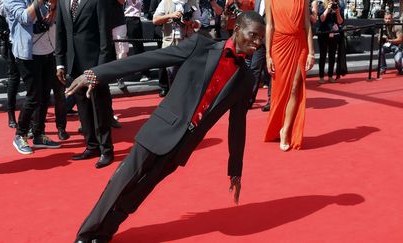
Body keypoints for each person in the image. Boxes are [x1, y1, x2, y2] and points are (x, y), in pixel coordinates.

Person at [66, 11, 265, 243]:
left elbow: (237, 126)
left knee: (140, 192)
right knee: (120, 183)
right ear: (237, 28)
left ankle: (105, 232)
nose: (257, 42)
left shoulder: (245, 79)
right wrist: (96, 74)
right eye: (253, 35)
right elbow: (152, 59)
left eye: (261, 38)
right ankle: (86, 233)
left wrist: (235, 170)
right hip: (160, 129)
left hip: (184, 145)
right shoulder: (201, 45)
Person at [55, 0, 115, 167]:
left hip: (94, 64)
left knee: (100, 108)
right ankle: (92, 146)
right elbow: (60, 32)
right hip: (73, 65)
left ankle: (107, 150)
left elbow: (105, 34)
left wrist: (101, 68)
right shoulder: (63, 2)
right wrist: (60, 63)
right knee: (83, 108)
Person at [4, 0, 61, 154]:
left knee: (44, 96)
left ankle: (39, 134)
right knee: (33, 96)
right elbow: (25, 17)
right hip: (27, 54)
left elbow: (52, 21)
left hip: (48, 50)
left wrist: (54, 6)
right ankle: (20, 134)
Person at [263, 0, 315, 151]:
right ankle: (276, 126)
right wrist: (267, 55)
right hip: (279, 45)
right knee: (279, 91)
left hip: (300, 44)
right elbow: (269, 26)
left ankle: (285, 130)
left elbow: (307, 24)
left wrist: (311, 52)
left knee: (294, 88)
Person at [314, 0, 344, 84]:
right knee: (323, 55)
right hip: (323, 34)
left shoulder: (339, 6)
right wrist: (327, 9)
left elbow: (340, 22)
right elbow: (321, 19)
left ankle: (330, 75)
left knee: (332, 55)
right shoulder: (322, 5)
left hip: (334, 34)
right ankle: (321, 76)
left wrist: (337, 11)